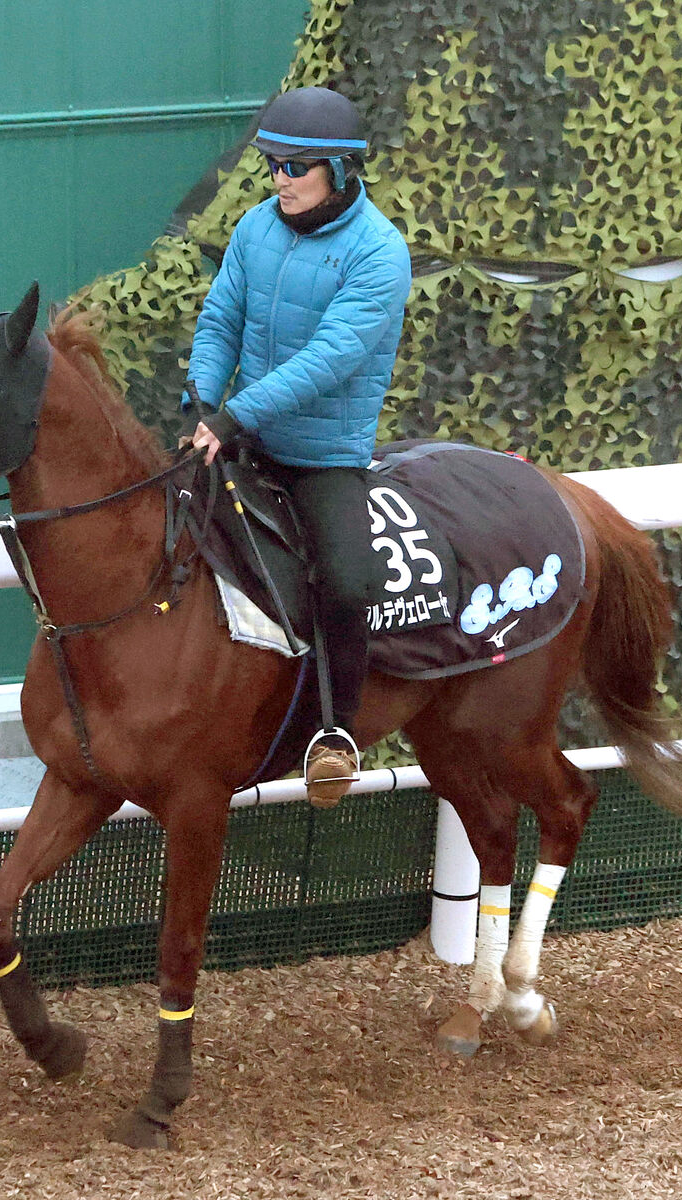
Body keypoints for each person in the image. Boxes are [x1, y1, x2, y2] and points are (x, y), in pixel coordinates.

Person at [184, 86, 412, 806]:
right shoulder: (256, 227)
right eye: (272, 165)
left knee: (345, 582)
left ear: (340, 171)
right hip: (242, 435)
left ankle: (334, 732)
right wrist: (201, 395)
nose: (279, 180)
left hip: (323, 457)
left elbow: (329, 361)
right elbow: (221, 316)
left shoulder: (379, 253)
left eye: (294, 167)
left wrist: (232, 418)